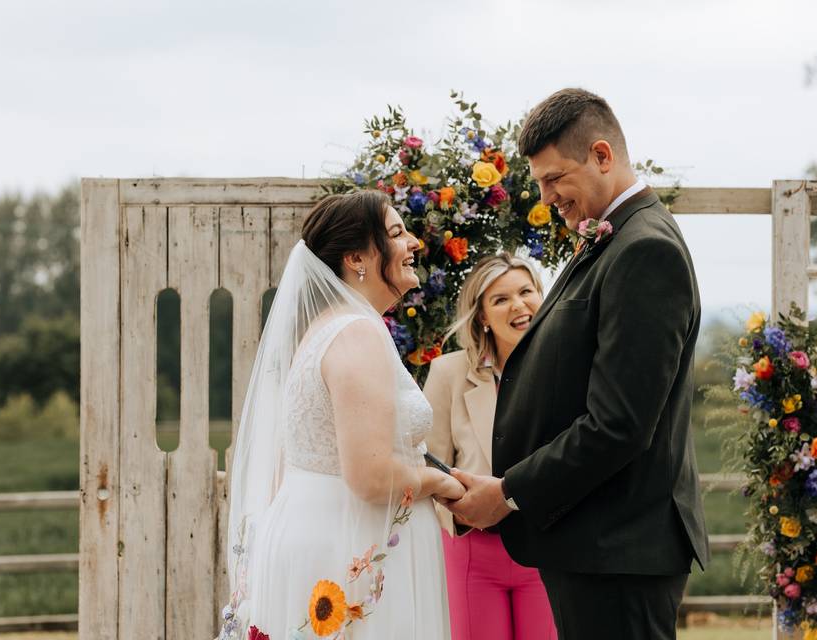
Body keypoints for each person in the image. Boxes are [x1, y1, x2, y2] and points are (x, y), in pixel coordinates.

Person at [445, 88, 710, 640]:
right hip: (596, 545)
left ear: (602, 156)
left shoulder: (645, 250)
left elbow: (619, 423)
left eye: (553, 179)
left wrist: (508, 491)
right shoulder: (612, 240)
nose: (545, 196)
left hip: (619, 550)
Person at [218, 191, 463, 640]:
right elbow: (370, 477)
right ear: (356, 258)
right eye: (395, 233)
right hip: (347, 540)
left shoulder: (323, 328)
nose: (412, 242)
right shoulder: (356, 333)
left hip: (316, 528)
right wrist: (444, 483)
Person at [423, 253, 557, 640]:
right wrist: (462, 516)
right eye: (500, 299)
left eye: (525, 292)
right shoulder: (448, 372)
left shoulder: (564, 369)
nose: (518, 305)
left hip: (545, 549)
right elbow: (430, 462)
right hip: (472, 551)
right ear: (482, 315)